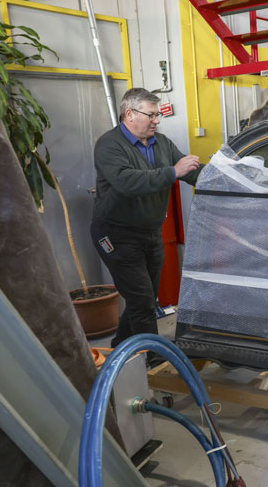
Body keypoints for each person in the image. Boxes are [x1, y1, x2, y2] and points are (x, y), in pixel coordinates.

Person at [91, 88, 202, 354]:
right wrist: (173, 171)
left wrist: (230, 178)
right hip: (115, 234)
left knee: (144, 297)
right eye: (151, 115)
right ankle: (152, 359)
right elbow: (127, 182)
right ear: (129, 114)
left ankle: (121, 347)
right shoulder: (109, 144)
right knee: (141, 300)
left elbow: (190, 173)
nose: (156, 120)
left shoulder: (161, 143)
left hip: (150, 232)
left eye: (158, 114)